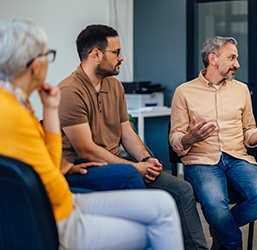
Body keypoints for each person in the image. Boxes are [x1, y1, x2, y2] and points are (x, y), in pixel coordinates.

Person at [0, 19, 182, 250]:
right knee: (156, 226)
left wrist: (51, 112)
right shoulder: (16, 114)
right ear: (35, 65)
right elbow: (45, 173)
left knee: (162, 203)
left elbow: (46, 162)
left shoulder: (14, 103)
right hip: (57, 216)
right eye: (49, 55)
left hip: (62, 201)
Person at [57, 24, 208, 250]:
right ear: (96, 55)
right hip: (82, 168)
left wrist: (146, 160)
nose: (122, 58)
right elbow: (85, 150)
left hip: (117, 164)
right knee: (130, 174)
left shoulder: (115, 86)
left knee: (182, 189)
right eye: (116, 52)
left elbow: (126, 131)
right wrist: (134, 167)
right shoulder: (69, 91)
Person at [169, 36, 257, 250]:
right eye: (232, 58)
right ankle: (231, 241)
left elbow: (249, 130)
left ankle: (220, 229)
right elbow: (175, 138)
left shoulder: (242, 90)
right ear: (213, 59)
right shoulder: (184, 92)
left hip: (237, 158)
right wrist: (189, 138)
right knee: (215, 205)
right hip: (202, 160)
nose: (237, 64)